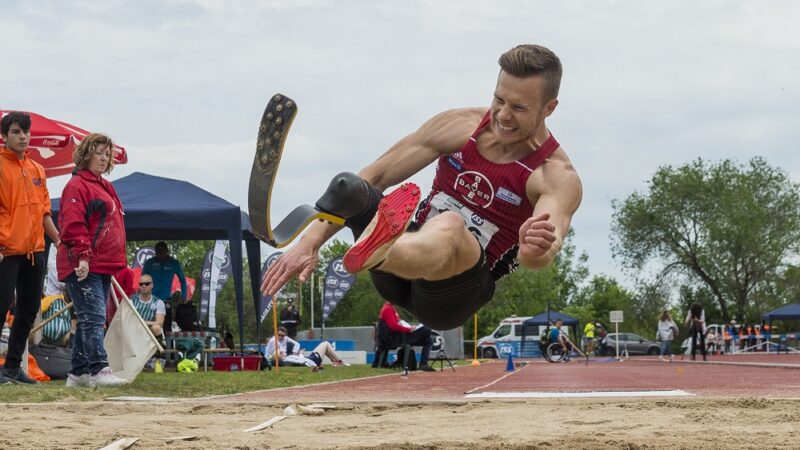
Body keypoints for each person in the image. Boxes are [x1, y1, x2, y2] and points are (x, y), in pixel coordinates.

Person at [261, 44, 582, 331]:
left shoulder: (554, 174)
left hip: (452, 295)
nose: (502, 115)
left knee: (452, 227)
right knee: (349, 187)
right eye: (498, 99)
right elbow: (378, 173)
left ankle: (380, 248)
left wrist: (535, 249)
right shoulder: (459, 125)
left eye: (519, 108)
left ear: (549, 108)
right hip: (400, 272)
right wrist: (308, 244)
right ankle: (379, 248)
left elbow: (541, 255)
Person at [57, 133, 129, 387]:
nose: (104, 157)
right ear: (86, 153)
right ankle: (99, 369)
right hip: (83, 263)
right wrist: (83, 257)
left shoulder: (104, 186)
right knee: (93, 317)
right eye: (99, 152)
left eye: (107, 154)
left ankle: (77, 375)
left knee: (91, 316)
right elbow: (74, 225)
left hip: (103, 263)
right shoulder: (77, 186)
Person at [0, 112, 61, 384]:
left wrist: (59, 240)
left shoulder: (38, 169)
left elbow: (45, 213)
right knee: (1, 308)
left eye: (25, 132)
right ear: (4, 136)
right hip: (6, 250)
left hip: (35, 250)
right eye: (16, 131)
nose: (22, 136)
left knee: (27, 310)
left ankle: (12, 367)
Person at [379, 301, 435, 371]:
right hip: (399, 337)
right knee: (427, 328)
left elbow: (398, 323)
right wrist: (409, 329)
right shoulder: (387, 309)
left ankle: (423, 364)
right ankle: (423, 363)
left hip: (403, 335)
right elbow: (393, 326)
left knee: (429, 340)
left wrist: (409, 327)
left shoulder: (391, 308)